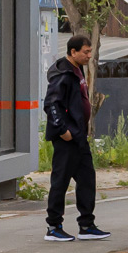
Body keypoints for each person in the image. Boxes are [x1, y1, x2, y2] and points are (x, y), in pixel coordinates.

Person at [43, 35, 110, 242]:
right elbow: (51, 104)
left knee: (87, 179)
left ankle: (86, 225)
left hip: (79, 137)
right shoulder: (63, 74)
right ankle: (53, 227)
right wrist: (63, 130)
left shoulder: (77, 70)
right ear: (73, 52)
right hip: (67, 138)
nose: (89, 56)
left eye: (90, 52)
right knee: (60, 181)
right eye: (86, 52)